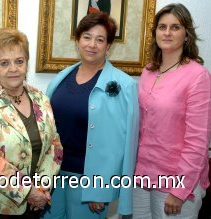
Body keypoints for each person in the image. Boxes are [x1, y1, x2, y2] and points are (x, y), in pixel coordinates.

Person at [42, 12, 139, 219]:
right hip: (54, 176)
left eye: (100, 39)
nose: (92, 44)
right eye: (86, 37)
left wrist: (101, 188)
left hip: (88, 183)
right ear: (77, 41)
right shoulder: (61, 78)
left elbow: (123, 144)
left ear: (108, 46)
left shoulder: (125, 86)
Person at [0, 28, 63, 219]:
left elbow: (54, 146)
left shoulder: (41, 99)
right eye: (4, 63)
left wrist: (42, 188)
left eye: (19, 61)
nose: (13, 68)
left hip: (34, 206)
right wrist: (28, 192)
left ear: (26, 64)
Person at [133, 3, 211, 218]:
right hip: (143, 177)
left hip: (176, 183)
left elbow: (198, 142)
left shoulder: (199, 77)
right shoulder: (149, 71)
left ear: (187, 35)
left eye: (175, 27)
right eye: (162, 27)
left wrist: (180, 190)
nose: (167, 33)